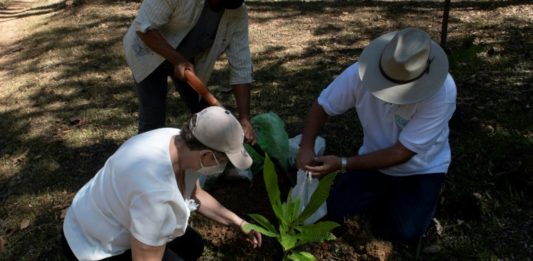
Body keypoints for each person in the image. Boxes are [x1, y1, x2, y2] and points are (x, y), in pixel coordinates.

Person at [296, 28, 457, 244]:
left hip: (422, 169)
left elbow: (402, 152)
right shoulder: (358, 74)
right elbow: (322, 106)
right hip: (371, 162)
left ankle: (427, 198)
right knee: (334, 213)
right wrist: (306, 146)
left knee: (405, 233)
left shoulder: (442, 92)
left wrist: (343, 163)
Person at [62, 106, 262, 260]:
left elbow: (196, 195)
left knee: (192, 246)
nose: (223, 166)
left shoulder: (177, 141)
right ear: (207, 156)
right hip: (93, 247)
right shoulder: (156, 198)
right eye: (225, 161)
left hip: (92, 215)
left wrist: (239, 223)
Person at [123, 0, 256, 145]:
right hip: (149, 52)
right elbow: (143, 27)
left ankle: (207, 156)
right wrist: (177, 59)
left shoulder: (237, 12)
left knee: (205, 111)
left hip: (188, 59)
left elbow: (241, 65)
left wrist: (244, 119)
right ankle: (145, 161)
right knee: (152, 123)